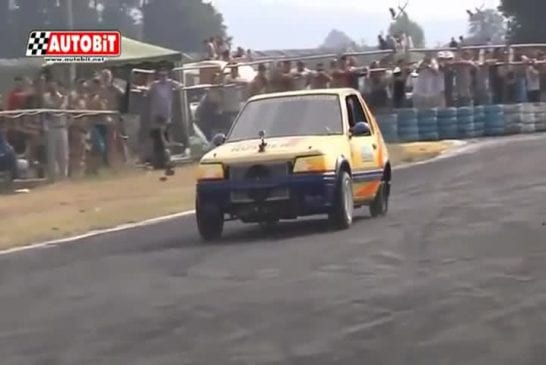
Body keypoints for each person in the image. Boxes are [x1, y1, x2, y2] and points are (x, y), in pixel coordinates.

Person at [147, 67, 183, 169]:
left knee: (166, 138)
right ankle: (158, 162)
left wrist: (176, 87)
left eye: (165, 75)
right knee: (158, 140)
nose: (163, 77)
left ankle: (166, 161)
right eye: (161, 75)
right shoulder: (155, 85)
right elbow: (147, 91)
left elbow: (180, 86)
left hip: (167, 116)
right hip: (156, 116)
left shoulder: (170, 83)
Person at [42, 80, 69, 180]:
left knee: (63, 154)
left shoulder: (63, 97)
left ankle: (64, 176)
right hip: (51, 128)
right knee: (51, 154)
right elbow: (53, 109)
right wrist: (61, 100)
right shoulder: (46, 97)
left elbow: (65, 111)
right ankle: (52, 178)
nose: (52, 88)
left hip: (62, 127)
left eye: (54, 86)